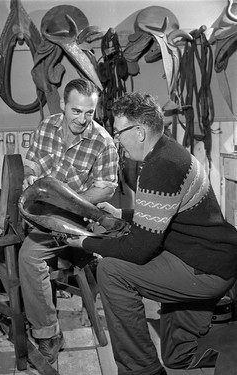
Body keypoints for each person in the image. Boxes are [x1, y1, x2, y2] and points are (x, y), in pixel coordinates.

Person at [66, 91, 237, 375]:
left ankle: (141, 369)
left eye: (119, 132)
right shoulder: (169, 151)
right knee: (176, 357)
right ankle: (188, 349)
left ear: (140, 131)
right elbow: (160, 215)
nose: (117, 140)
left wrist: (86, 242)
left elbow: (139, 249)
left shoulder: (160, 167)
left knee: (111, 270)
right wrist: (119, 214)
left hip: (205, 268)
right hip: (214, 255)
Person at [18, 78, 119, 364]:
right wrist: (29, 173)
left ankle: (47, 333)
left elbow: (107, 187)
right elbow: (33, 161)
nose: (83, 119)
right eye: (76, 111)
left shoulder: (102, 141)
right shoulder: (46, 127)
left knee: (28, 257)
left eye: (89, 113)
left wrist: (73, 201)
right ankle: (40, 315)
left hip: (76, 215)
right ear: (63, 105)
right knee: (13, 245)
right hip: (39, 207)